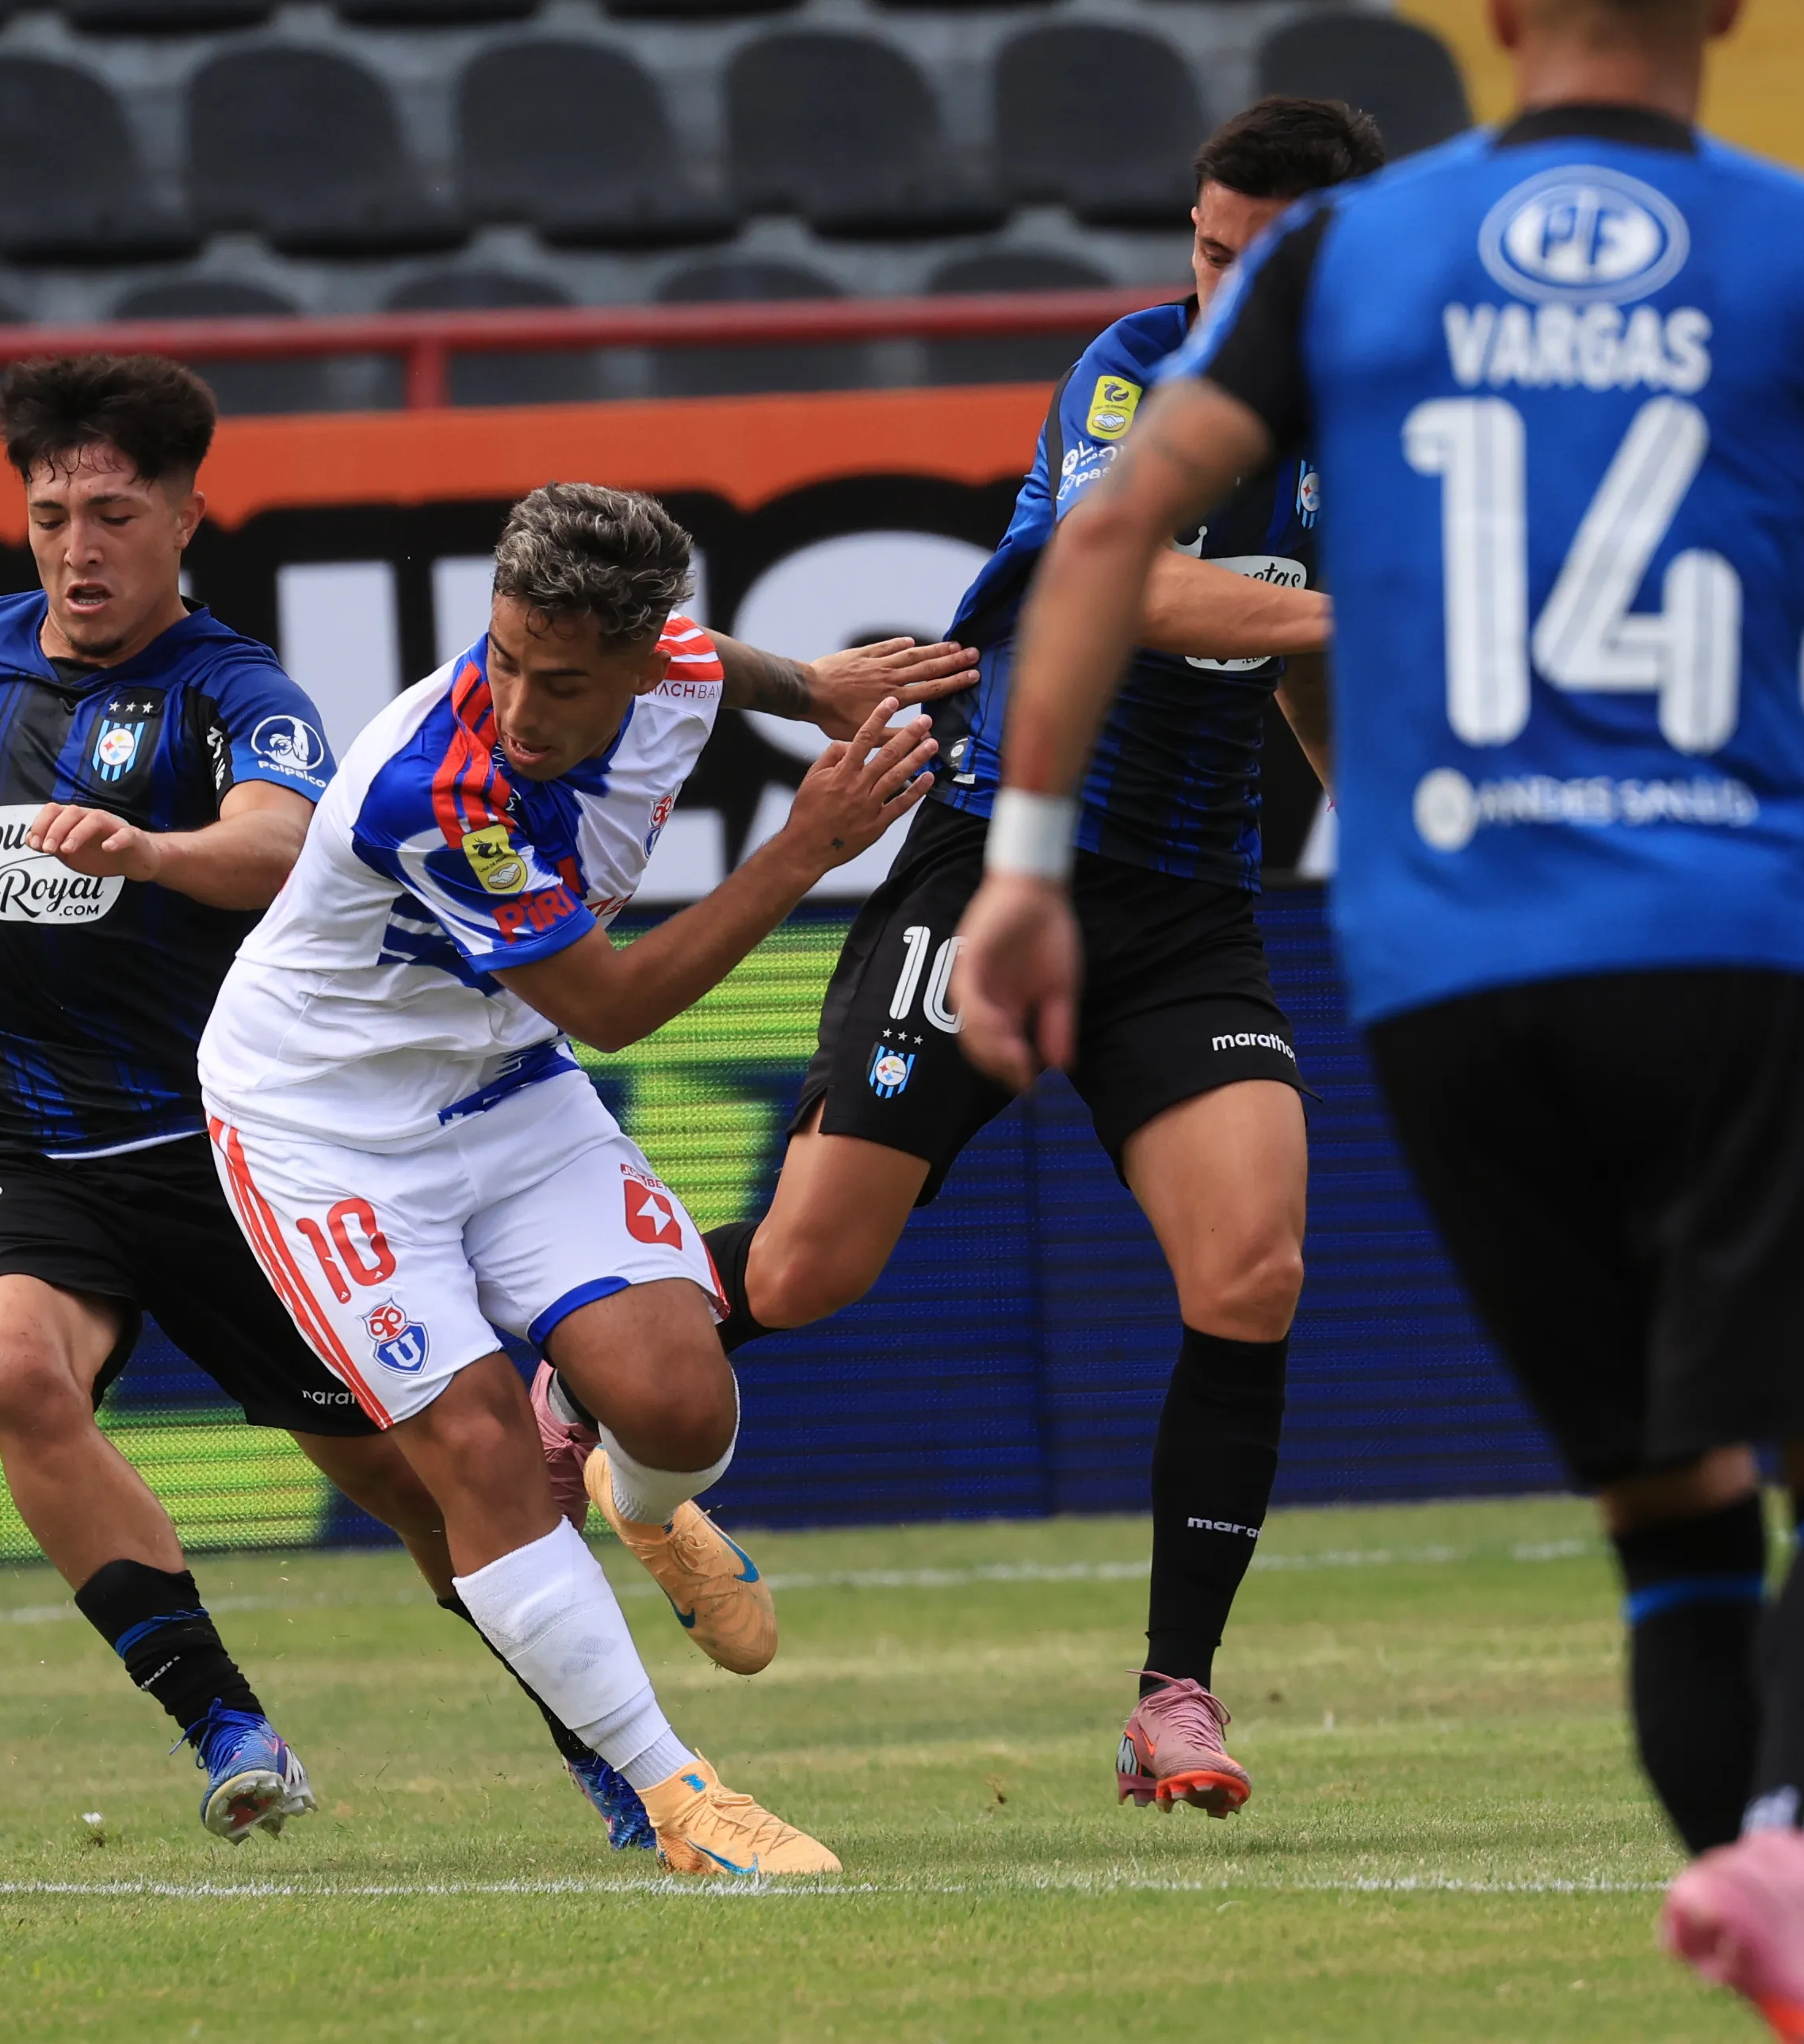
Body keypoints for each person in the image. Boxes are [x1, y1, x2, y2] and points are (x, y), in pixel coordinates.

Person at [952, 0, 1804, 2033]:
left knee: (1665, 1496)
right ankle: (1797, 1841)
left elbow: (1097, 541)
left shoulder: (1345, 259)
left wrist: (1017, 865)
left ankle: (1774, 1940)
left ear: (1499, 22)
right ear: (1721, 14)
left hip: (1450, 981)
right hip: (1725, 929)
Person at [622, 95, 1385, 1825]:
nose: (1215, 291)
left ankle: (1168, 1698)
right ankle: (578, 1367)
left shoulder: (1386, 419)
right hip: (999, 860)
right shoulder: (1132, 374)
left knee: (1250, 1268)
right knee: (812, 1269)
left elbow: (1282, 665)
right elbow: (1141, 591)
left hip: (1188, 903)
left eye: (1256, 267)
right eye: (1203, 250)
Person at [0, 355, 655, 1851]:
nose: (78, 547)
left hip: (235, 1155)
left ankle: (614, 1750)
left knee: (430, 1488)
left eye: (116, 513)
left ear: (190, 514)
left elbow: (284, 838)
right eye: (52, 510)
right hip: (12, 1155)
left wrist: (148, 849)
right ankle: (224, 1722)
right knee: (10, 1369)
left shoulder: (231, 688)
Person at [200, 483, 956, 1877]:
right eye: (500, 655)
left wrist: (815, 685)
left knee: (679, 1401)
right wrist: (803, 848)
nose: (516, 698)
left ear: (631, 656)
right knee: (479, 1449)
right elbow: (610, 1006)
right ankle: (682, 1798)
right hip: (327, 1131)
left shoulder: (667, 662)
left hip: (504, 1087)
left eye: (559, 677)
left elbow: (708, 656)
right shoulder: (440, 785)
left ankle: (647, 1500)